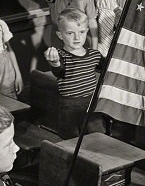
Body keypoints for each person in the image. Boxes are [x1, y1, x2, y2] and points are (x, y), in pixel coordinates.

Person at [44, 9, 105, 139]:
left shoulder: (94, 55)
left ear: (87, 31)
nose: (77, 37)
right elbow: (59, 72)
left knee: (98, 136)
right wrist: (54, 63)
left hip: (92, 104)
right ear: (60, 35)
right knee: (71, 139)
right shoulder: (60, 56)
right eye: (70, 33)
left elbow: (108, 69)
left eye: (81, 32)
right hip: (69, 106)